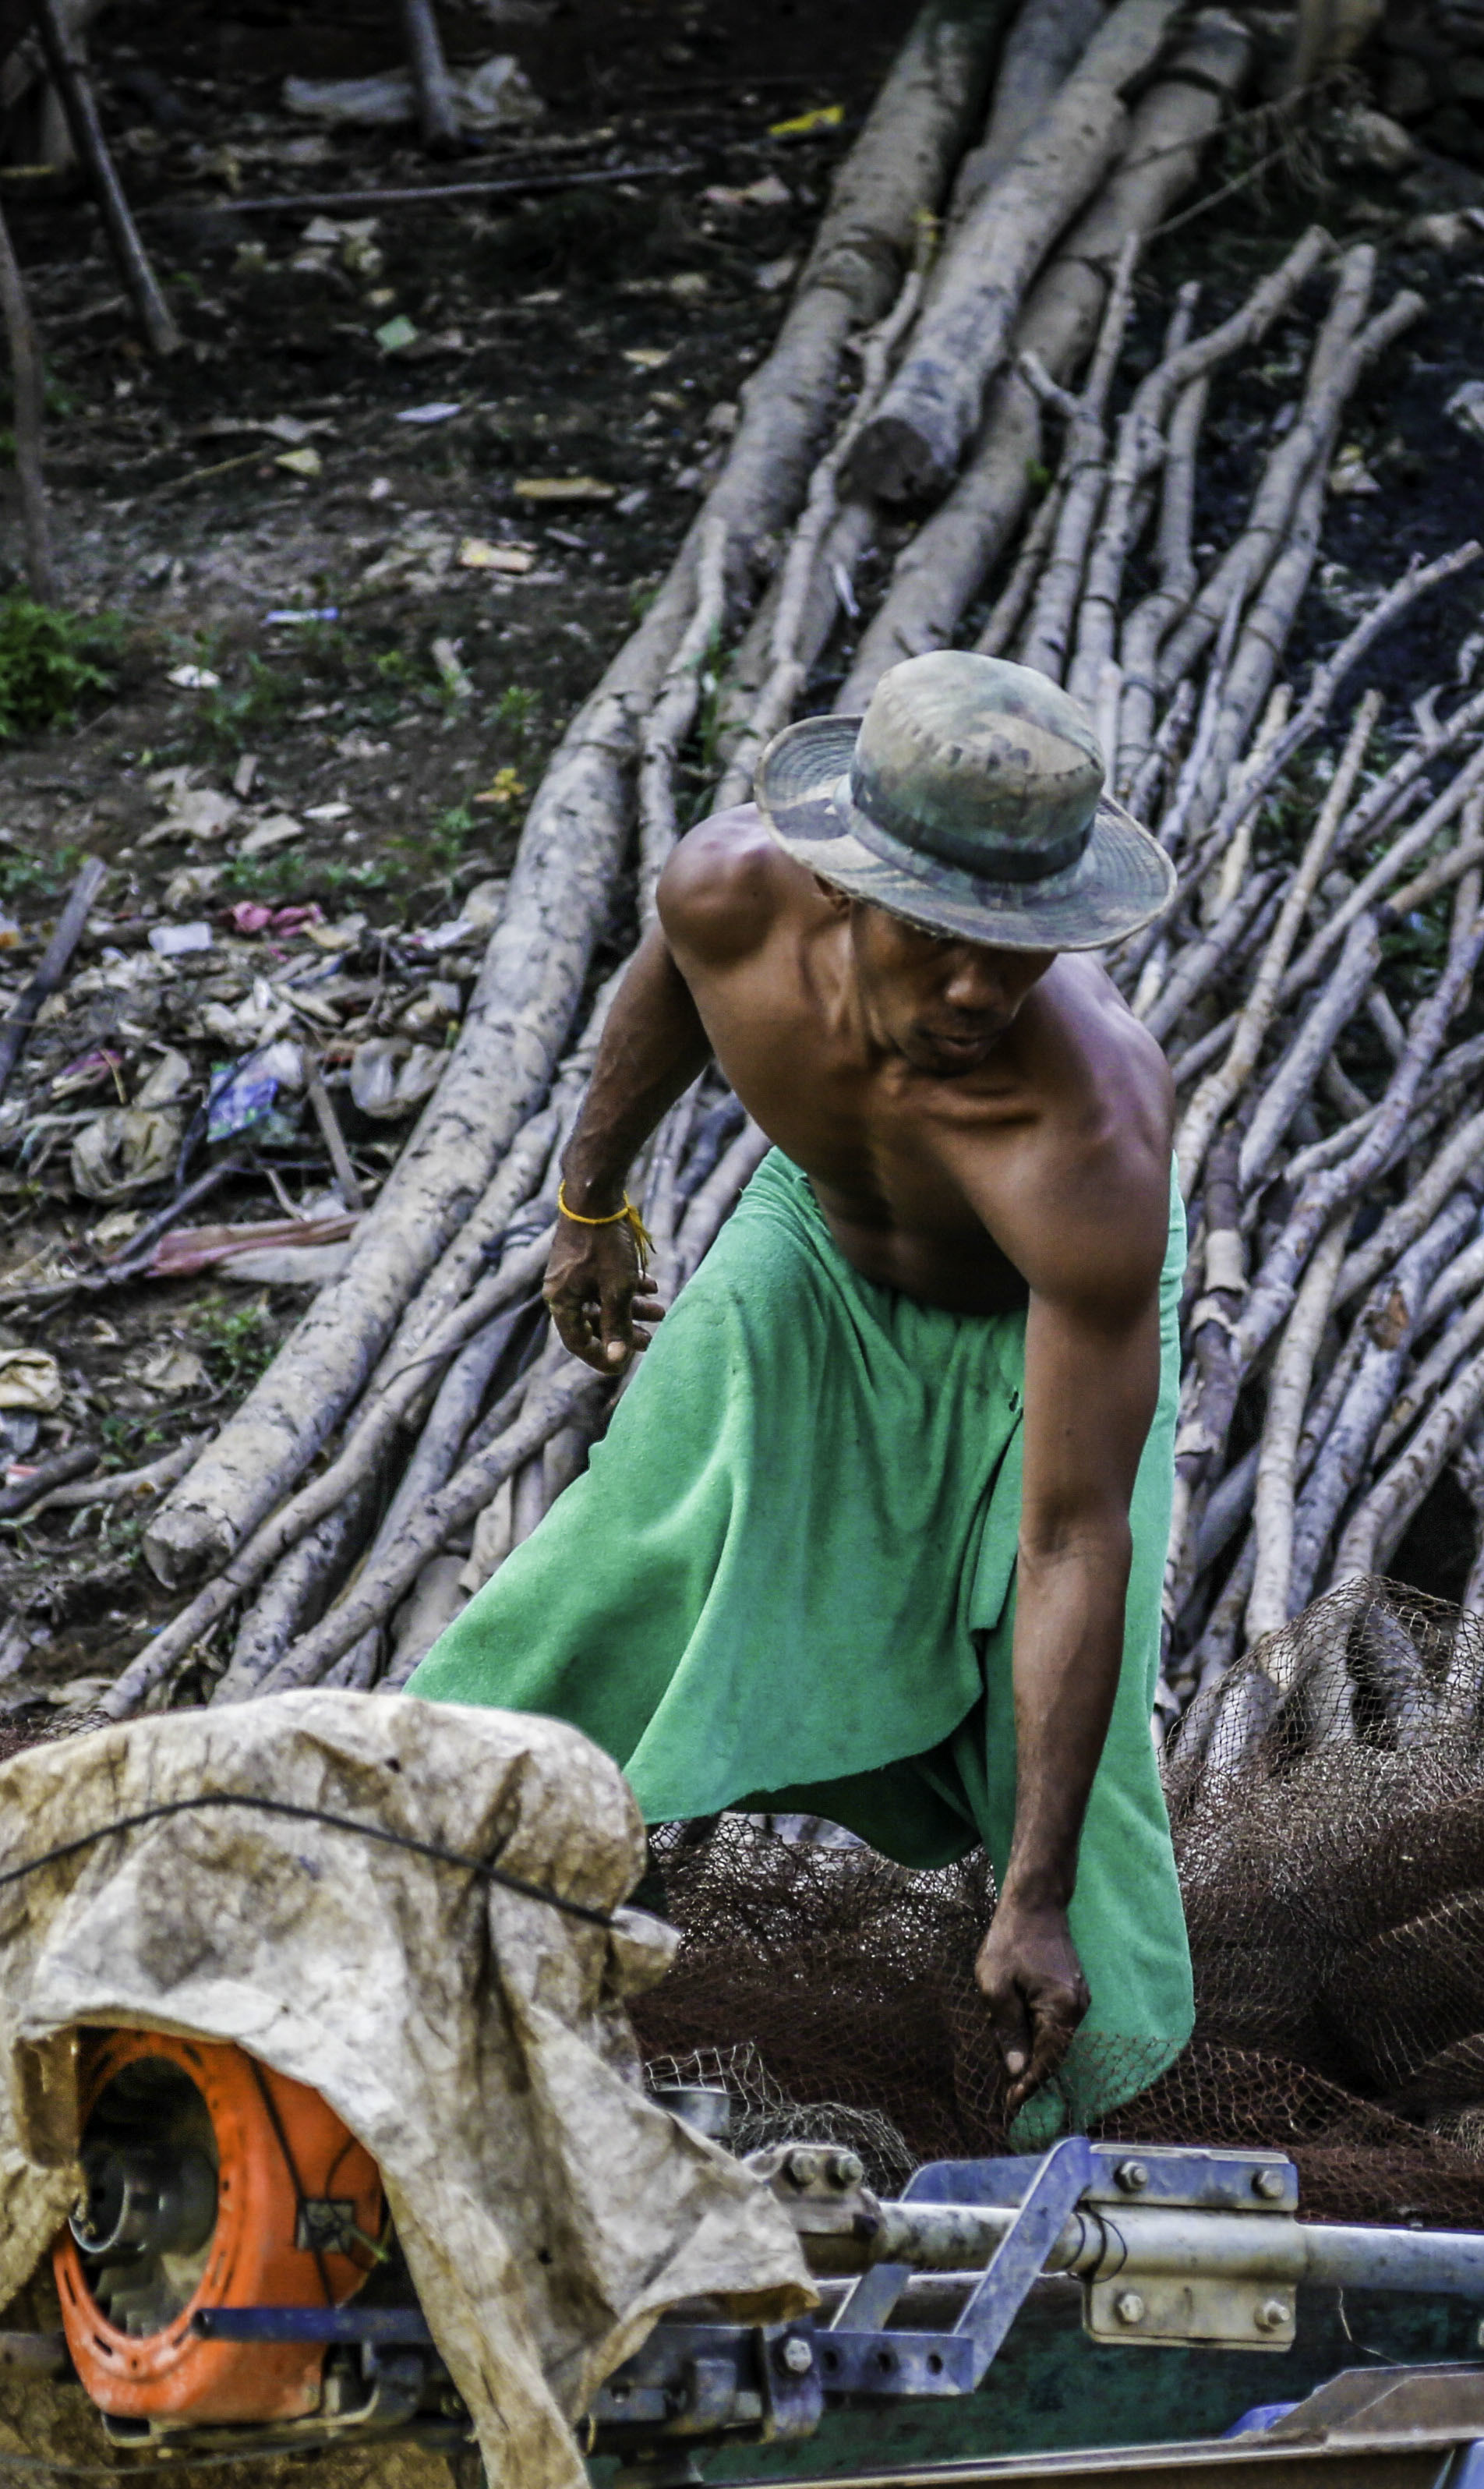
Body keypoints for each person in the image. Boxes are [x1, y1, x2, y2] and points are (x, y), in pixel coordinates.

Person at [408, 652, 1190, 2141]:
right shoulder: (727, 896)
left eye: (1013, 949)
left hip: (1023, 1330)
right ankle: (403, 1857)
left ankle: (1069, 2121)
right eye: (934, 936)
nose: (974, 990)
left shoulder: (1088, 1138)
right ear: (841, 888)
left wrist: (1030, 1900)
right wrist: (589, 1200)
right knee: (617, 1558)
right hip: (816, 1252)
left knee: (1073, 1798)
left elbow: (1075, 1542)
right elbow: (669, 991)